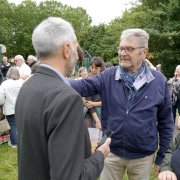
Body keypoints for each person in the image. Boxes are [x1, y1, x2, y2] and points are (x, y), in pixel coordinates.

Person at [70, 28, 174, 180]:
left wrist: (162, 158)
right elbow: (82, 86)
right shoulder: (108, 75)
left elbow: (166, 123)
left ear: (144, 52)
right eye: (121, 48)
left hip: (143, 156)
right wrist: (53, 78)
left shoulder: (159, 81)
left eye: (129, 49)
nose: (123, 53)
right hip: (111, 151)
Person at [15, 17, 111, 180]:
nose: (77, 52)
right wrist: (100, 156)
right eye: (76, 46)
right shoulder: (67, 98)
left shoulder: (28, 87)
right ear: (67, 49)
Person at [0, 67, 23, 148]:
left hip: (10, 108)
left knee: (13, 125)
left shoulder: (5, 84)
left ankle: (14, 143)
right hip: (22, 107)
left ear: (9, 73)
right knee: (21, 125)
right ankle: (21, 140)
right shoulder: (22, 82)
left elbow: (1, 99)